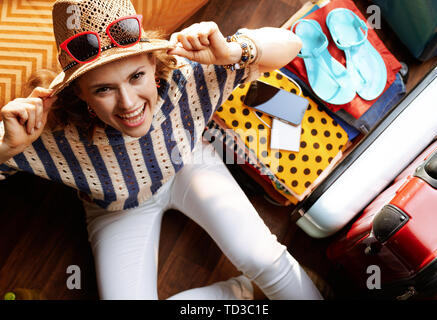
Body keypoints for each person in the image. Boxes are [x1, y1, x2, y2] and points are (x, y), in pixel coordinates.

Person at [0, 0, 323, 300]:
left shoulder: (188, 77)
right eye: (103, 89)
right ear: (80, 94)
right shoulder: (45, 132)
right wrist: (5, 148)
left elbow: (292, 44)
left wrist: (234, 50)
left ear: (154, 66)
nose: (128, 103)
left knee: (264, 258)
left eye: (136, 76)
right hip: (119, 208)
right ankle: (239, 292)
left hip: (191, 166)